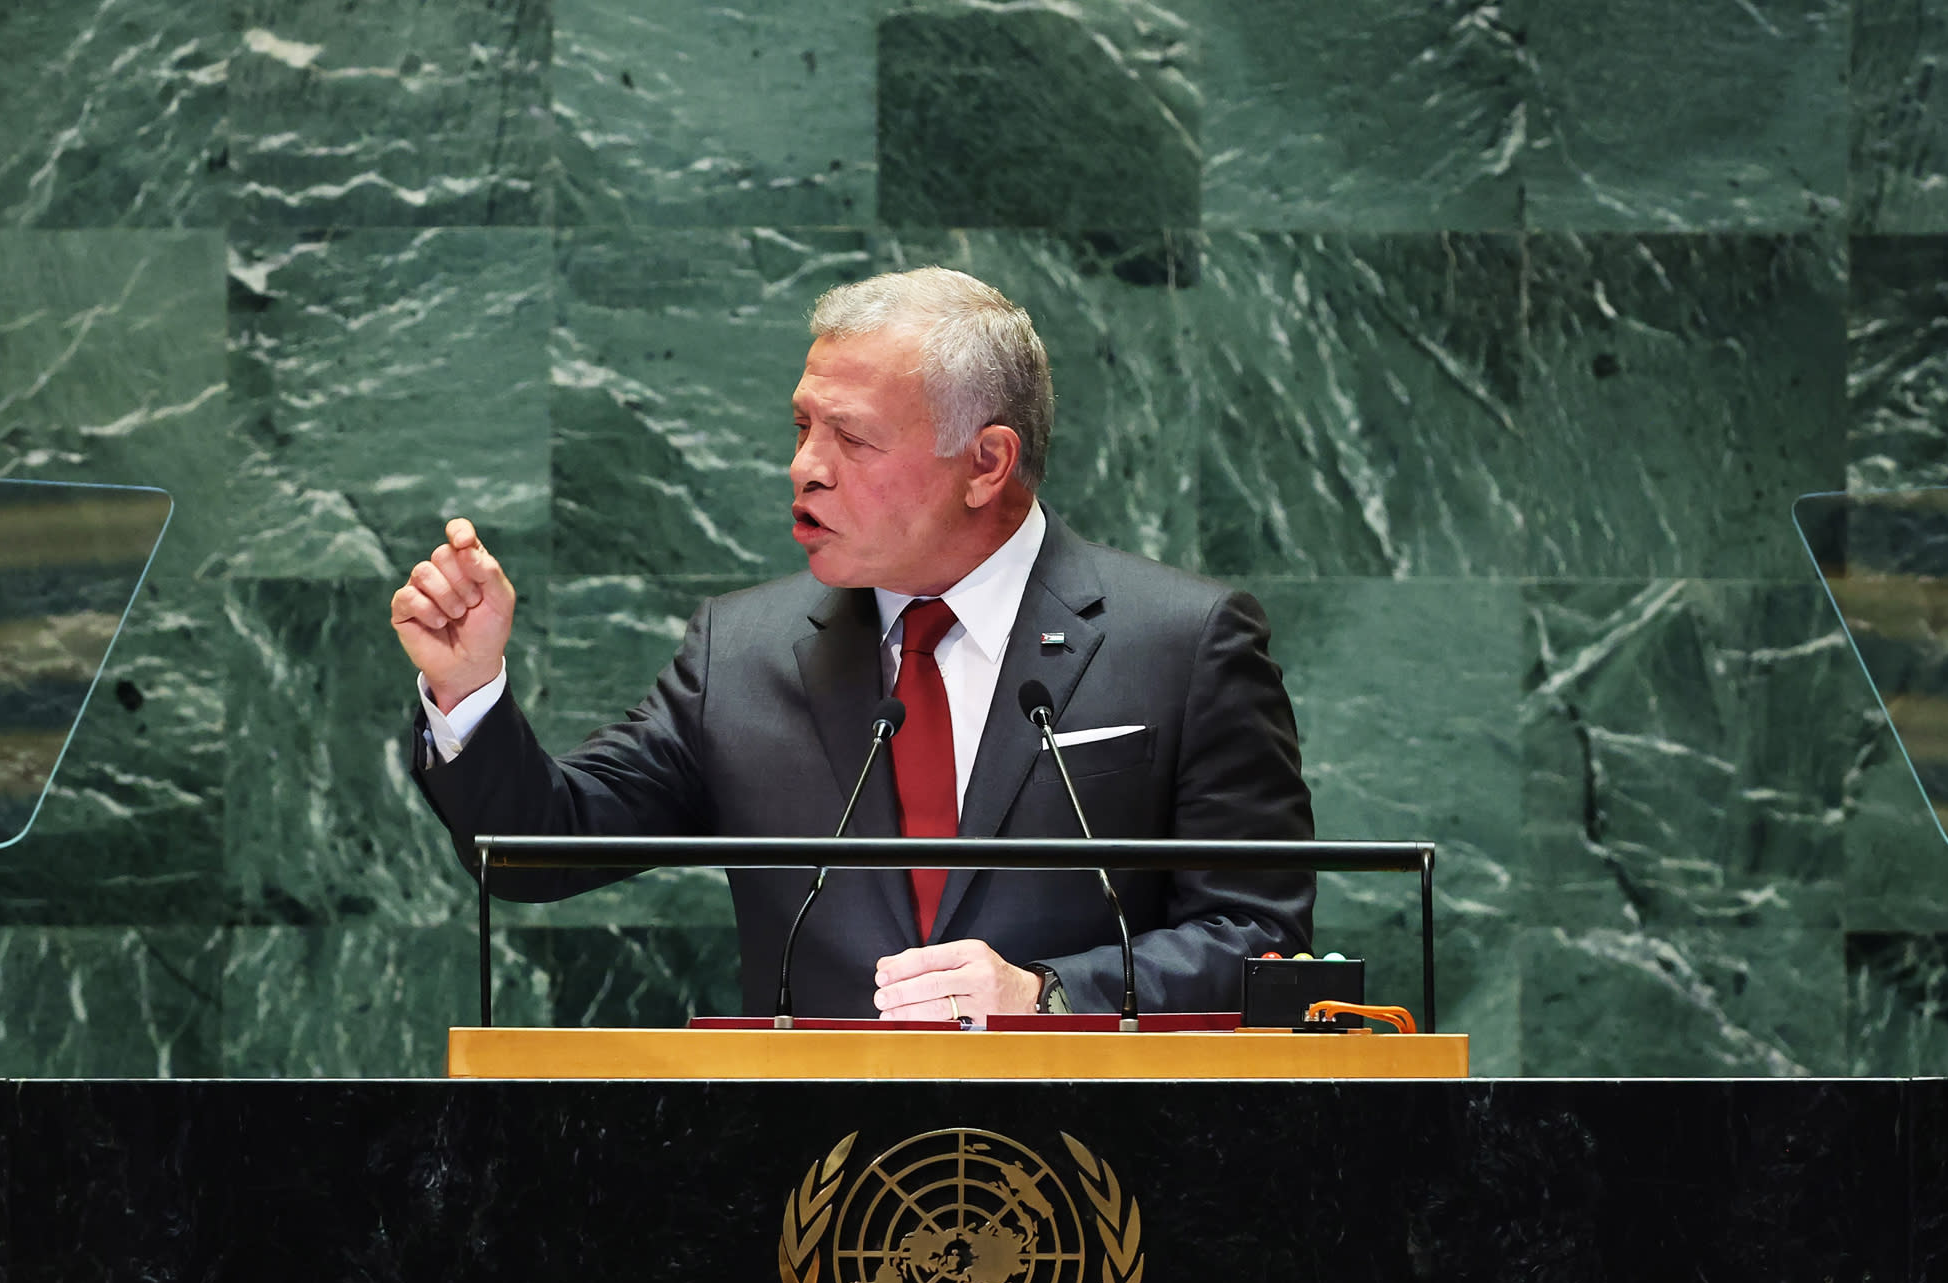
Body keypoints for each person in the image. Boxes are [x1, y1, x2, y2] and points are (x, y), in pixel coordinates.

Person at [391, 267, 1312, 1020]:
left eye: (853, 439)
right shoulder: (740, 653)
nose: (804, 468)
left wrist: (1051, 994)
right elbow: (544, 848)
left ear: (985, 464)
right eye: (802, 427)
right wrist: (468, 691)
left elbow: (1260, 939)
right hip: (814, 1186)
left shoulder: (1181, 643)